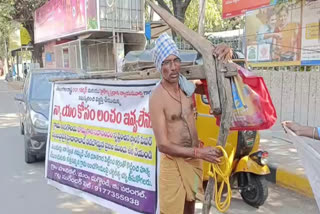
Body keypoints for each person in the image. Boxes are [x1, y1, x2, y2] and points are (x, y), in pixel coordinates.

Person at [149, 33, 233, 214]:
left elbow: (221, 83)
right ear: (159, 67)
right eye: (166, 63)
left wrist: (227, 54)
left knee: (190, 208)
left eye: (175, 61)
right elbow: (163, 145)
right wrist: (199, 152)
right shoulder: (157, 97)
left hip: (193, 164)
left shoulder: (188, 88)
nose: (173, 67)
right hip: (172, 165)